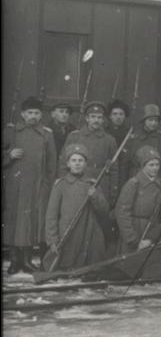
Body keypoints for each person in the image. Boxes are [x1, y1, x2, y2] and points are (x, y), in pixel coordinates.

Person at [3, 96, 58, 274]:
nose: (33, 116)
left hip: (37, 187)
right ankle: (13, 259)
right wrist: (9, 155)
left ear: (41, 115)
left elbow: (52, 163)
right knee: (13, 220)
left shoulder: (46, 134)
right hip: (14, 185)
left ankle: (26, 260)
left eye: (36, 113)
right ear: (22, 114)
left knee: (30, 222)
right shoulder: (11, 131)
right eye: (29, 113)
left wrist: (47, 186)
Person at [44, 143, 110, 271]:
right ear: (68, 164)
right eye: (73, 160)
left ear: (85, 164)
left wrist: (95, 195)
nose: (77, 163)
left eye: (81, 160)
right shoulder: (60, 185)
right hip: (69, 233)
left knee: (92, 267)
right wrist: (52, 240)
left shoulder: (92, 184)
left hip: (89, 232)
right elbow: (51, 215)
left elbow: (104, 210)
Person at [60, 101, 119, 205]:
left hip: (100, 183)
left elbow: (114, 168)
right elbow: (63, 163)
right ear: (87, 118)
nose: (96, 120)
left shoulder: (109, 140)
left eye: (99, 117)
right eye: (93, 117)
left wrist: (113, 190)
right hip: (77, 182)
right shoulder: (74, 137)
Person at [115, 145, 161, 256]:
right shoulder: (133, 183)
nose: (155, 168)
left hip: (151, 231)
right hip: (135, 230)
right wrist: (132, 239)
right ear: (142, 166)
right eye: (151, 165)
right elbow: (122, 212)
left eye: (157, 165)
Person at [126, 103, 161, 179]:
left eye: (156, 120)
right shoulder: (134, 138)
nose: (153, 123)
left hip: (157, 178)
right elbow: (126, 163)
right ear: (144, 121)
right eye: (150, 120)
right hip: (137, 178)